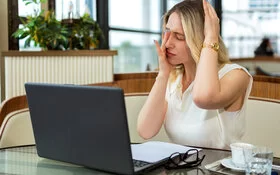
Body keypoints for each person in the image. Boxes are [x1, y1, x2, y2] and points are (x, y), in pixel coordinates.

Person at [137, 0, 253, 149]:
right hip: (181, 170)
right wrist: (163, 74)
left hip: (218, 171)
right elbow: (145, 131)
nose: (168, 43)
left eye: (179, 36)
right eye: (167, 32)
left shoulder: (236, 75)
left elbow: (203, 98)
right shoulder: (173, 79)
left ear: (201, 37)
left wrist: (211, 38)